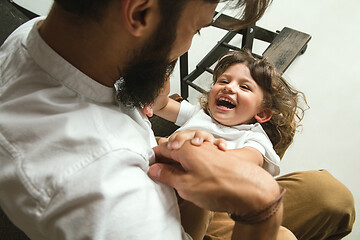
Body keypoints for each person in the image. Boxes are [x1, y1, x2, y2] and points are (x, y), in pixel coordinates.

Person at [0, 0, 354, 240]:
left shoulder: (42, 35)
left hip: (192, 183)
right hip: (195, 210)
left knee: (330, 196)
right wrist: (260, 211)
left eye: (244, 86)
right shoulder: (103, 202)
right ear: (139, 13)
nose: (186, 48)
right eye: (197, 29)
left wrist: (148, 78)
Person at [148, 49, 304, 239]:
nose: (229, 87)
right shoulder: (199, 115)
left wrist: (207, 149)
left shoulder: (254, 137)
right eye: (223, 81)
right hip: (160, 180)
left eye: (244, 87)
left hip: (203, 197)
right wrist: (160, 87)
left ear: (261, 113)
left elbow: (248, 162)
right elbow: (161, 105)